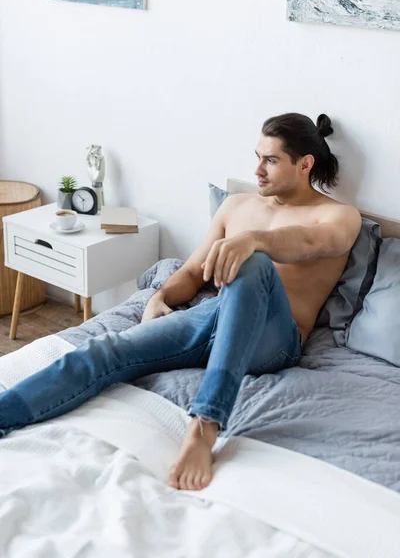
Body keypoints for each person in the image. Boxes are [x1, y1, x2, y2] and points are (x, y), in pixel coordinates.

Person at [0, 113, 361, 492]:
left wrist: (251, 241)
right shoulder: (236, 206)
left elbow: (309, 243)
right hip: (210, 317)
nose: (257, 170)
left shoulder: (338, 216)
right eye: (257, 157)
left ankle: (204, 426)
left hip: (274, 339)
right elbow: (192, 272)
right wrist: (159, 297)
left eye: (270, 160)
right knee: (103, 351)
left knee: (253, 263)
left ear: (305, 164)